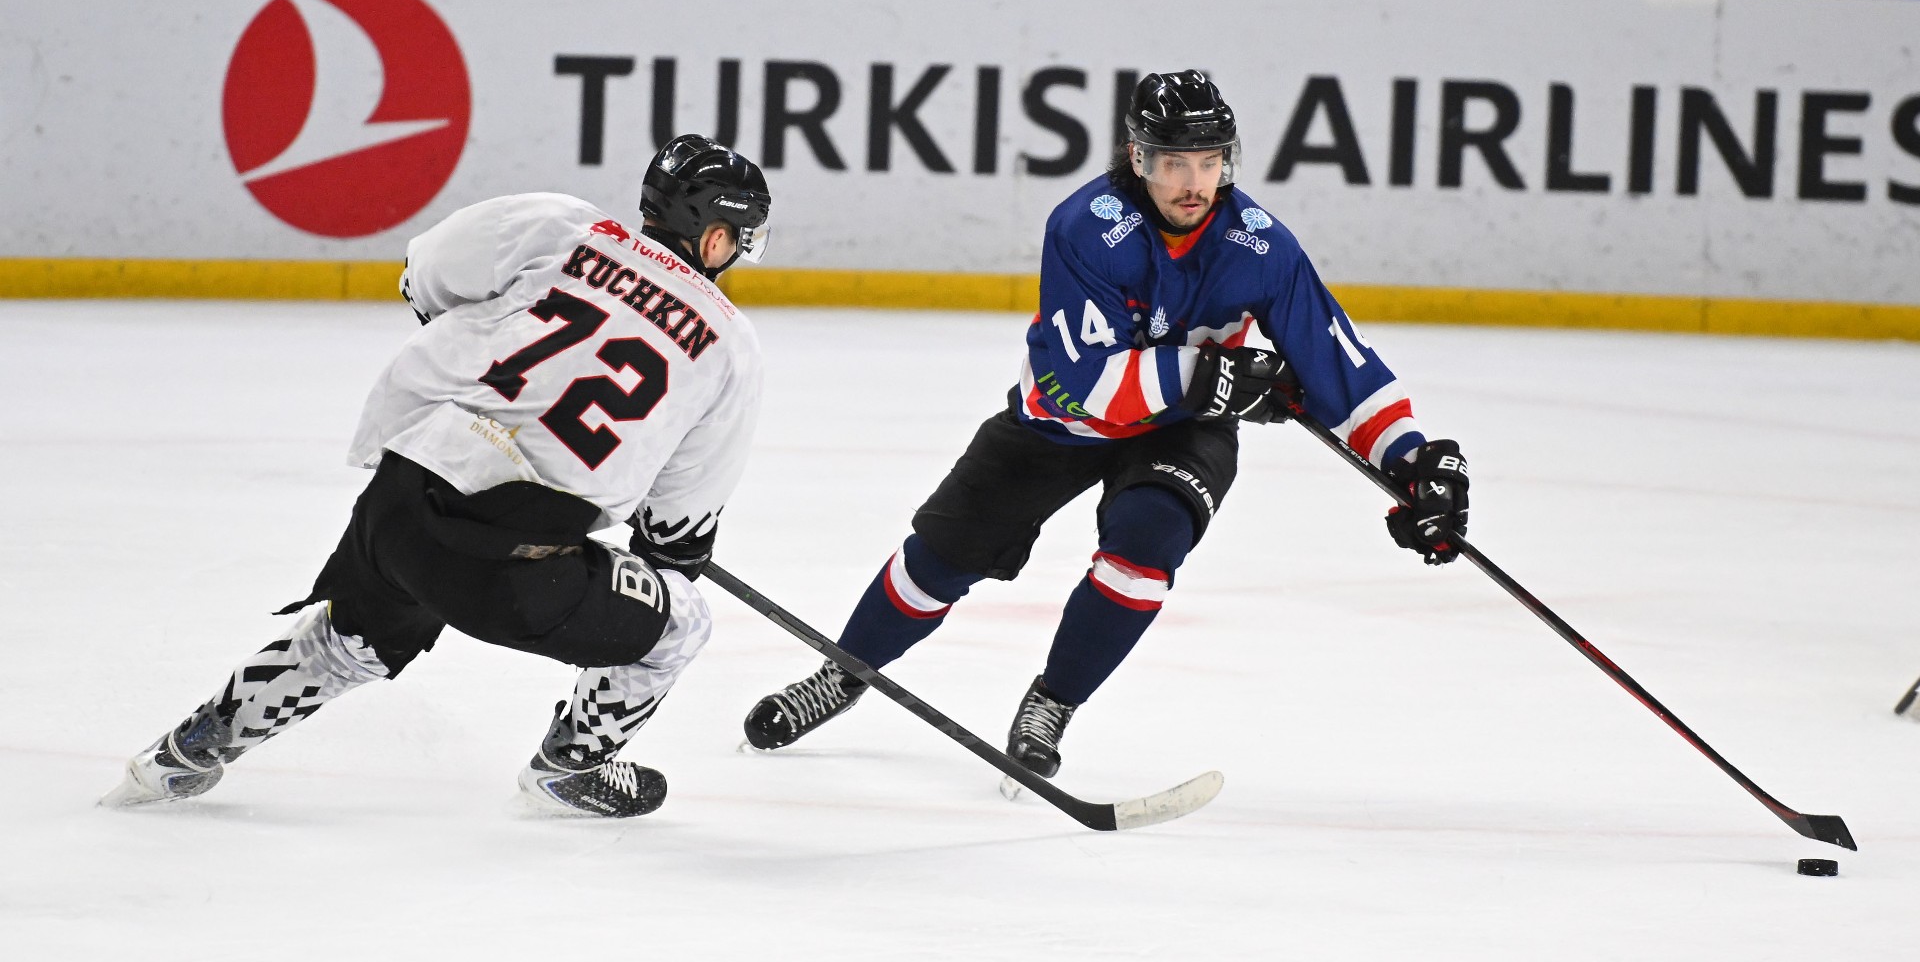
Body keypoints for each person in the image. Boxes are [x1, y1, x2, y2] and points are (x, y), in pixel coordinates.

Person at [740, 71, 1470, 781]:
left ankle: (1051, 704)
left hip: (1182, 432)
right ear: (1138, 158)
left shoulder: (1261, 247)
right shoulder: (1088, 228)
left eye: (1211, 163)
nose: (1195, 183)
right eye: (1175, 163)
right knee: (939, 559)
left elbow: (1338, 364)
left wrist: (1410, 464)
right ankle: (844, 674)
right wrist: (1202, 374)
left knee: (1145, 551)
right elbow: (1083, 383)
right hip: (1060, 419)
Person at [102, 134, 772, 818]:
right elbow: (677, 536)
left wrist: (495, 369)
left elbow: (425, 270)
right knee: (681, 623)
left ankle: (184, 753)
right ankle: (571, 766)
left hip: (405, 488)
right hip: (512, 566)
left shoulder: (565, 226)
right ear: (716, 238)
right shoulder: (729, 346)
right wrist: (659, 550)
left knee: (349, 639)